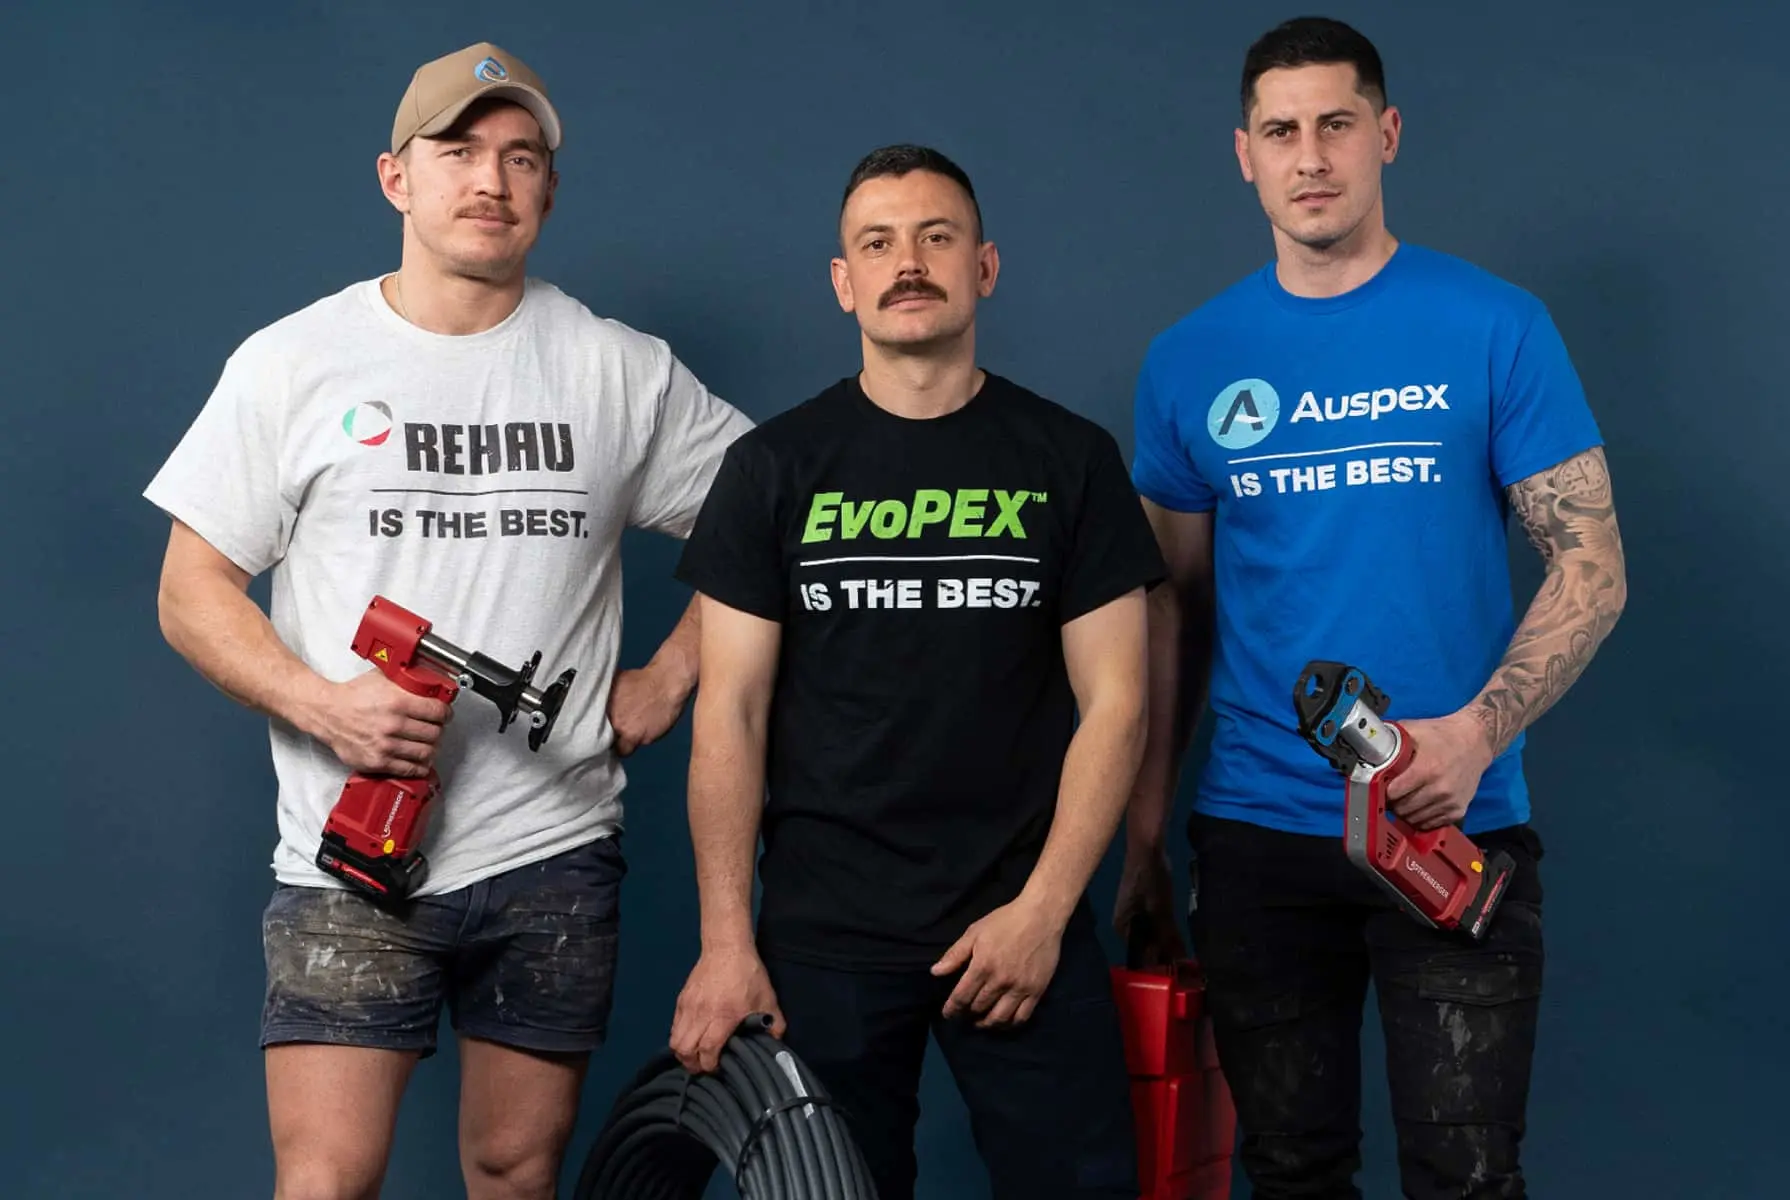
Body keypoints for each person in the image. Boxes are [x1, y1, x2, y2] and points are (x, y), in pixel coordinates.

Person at [144, 42, 752, 1200]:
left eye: (520, 158)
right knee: (325, 1177)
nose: (491, 180)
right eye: (459, 151)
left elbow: (774, 516)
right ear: (396, 179)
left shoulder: (615, 370)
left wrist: (674, 671)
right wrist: (321, 704)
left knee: (512, 1170)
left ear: (548, 192)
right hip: (350, 853)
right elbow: (190, 589)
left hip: (554, 852)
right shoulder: (295, 363)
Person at [1115, 15, 1628, 1200]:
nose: (1309, 157)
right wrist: (1144, 839)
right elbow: (1171, 612)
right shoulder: (1190, 359)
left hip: (1451, 824)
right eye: (1279, 131)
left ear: (1383, 135)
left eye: (1334, 125)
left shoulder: (1491, 324)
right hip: (1255, 836)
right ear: (1241, 153)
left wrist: (1476, 734)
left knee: (1464, 1175)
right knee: (1291, 1171)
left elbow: (1591, 563)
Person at [665, 144, 1165, 1199]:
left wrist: (1040, 912)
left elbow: (1116, 702)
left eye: (936, 238)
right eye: (877, 243)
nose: (909, 262)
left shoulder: (1067, 459)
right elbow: (731, 715)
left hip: (1020, 923)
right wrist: (724, 942)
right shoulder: (772, 469)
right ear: (843, 281)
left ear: (983, 266)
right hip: (823, 937)